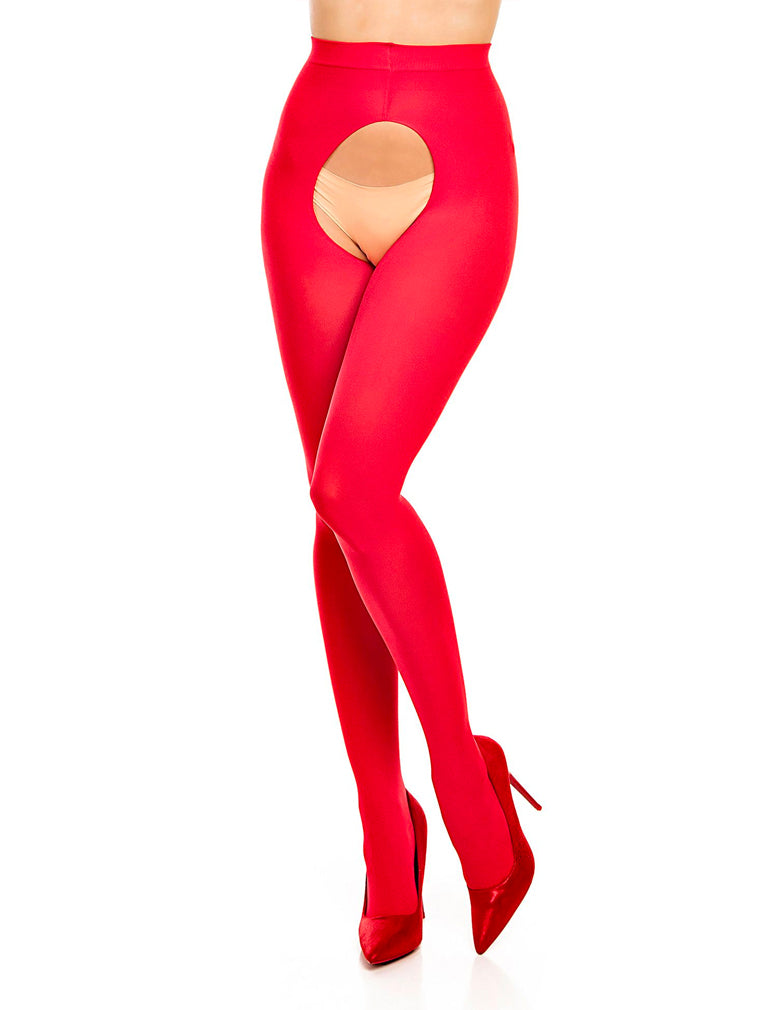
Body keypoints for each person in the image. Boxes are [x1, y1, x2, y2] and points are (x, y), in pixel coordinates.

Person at [260, 0, 543, 964]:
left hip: (455, 163)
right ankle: (387, 835)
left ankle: (466, 786)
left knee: (353, 486)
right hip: (314, 149)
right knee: (335, 504)